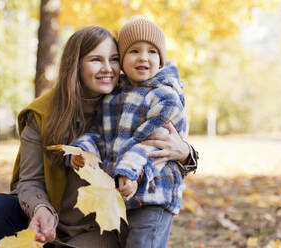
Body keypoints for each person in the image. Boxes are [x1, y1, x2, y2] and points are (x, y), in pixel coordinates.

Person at [0, 25, 197, 248]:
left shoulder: (129, 103)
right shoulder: (43, 113)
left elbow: (155, 149)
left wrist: (187, 153)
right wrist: (41, 209)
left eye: (114, 59)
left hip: (98, 230)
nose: (108, 68)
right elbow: (30, 180)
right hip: (50, 222)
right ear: (76, 64)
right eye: (96, 60)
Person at [70, 16, 197, 248]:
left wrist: (130, 173)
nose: (143, 57)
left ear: (161, 61)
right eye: (134, 51)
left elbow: (151, 143)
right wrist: (83, 150)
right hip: (123, 196)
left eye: (152, 52)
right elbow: (100, 135)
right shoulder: (113, 97)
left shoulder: (165, 96)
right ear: (122, 60)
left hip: (153, 195)